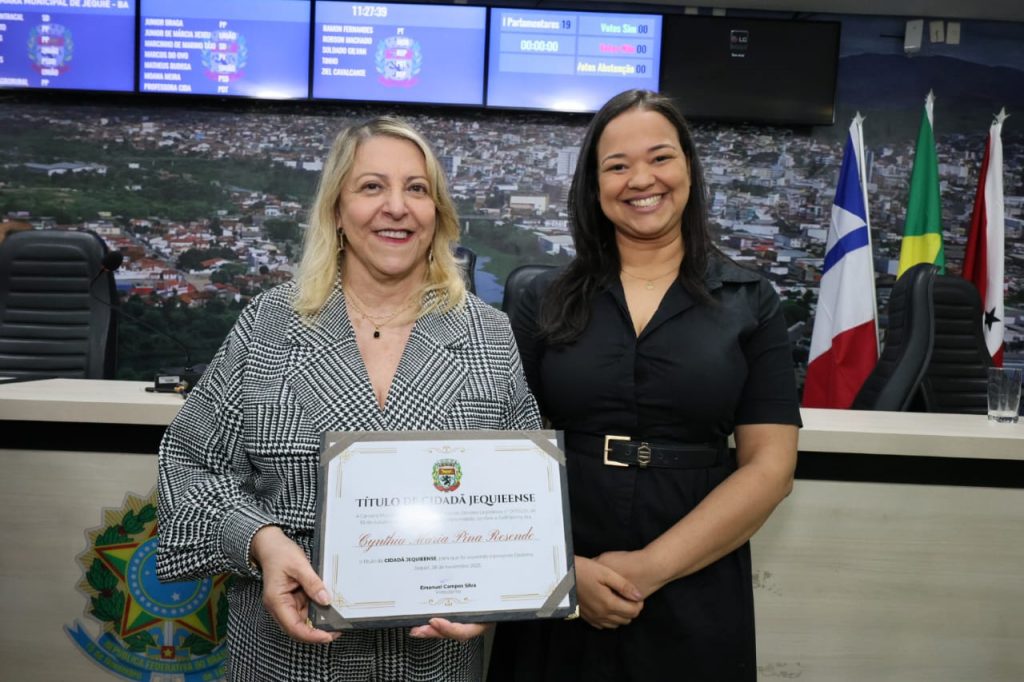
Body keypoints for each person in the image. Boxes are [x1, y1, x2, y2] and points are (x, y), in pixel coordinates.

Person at [157, 117, 541, 681]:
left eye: (417, 188)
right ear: (337, 209)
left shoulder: (488, 334)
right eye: (371, 187)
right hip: (287, 658)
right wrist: (259, 540)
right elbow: (186, 464)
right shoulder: (269, 324)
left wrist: (495, 591)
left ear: (437, 213)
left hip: (433, 665)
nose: (397, 207)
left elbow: (526, 497)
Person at [487, 90, 801, 681]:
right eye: (617, 165)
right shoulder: (541, 299)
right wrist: (564, 570)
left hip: (695, 570)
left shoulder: (751, 300)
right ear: (593, 186)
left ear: (689, 169)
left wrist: (650, 568)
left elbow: (771, 467)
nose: (641, 180)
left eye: (660, 158)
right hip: (561, 569)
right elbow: (502, 456)